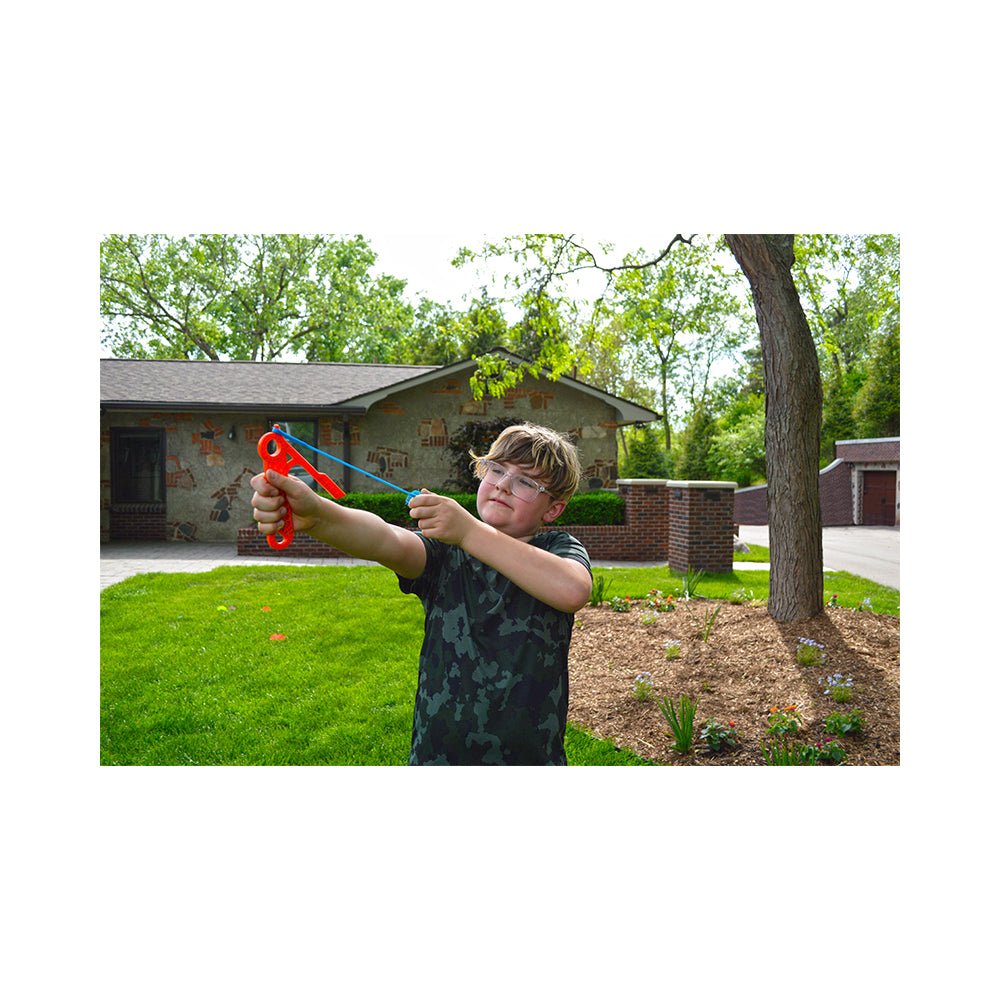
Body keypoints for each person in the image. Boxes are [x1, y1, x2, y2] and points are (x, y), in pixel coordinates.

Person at [249, 422, 593, 765]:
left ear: (553, 509)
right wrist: (317, 515)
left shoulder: (558, 549)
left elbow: (572, 589)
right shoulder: (446, 551)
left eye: (525, 482)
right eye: (497, 469)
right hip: (437, 758)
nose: (503, 485)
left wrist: (468, 531)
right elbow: (385, 539)